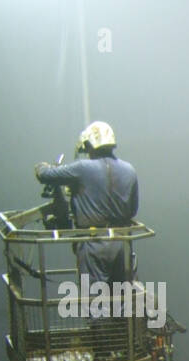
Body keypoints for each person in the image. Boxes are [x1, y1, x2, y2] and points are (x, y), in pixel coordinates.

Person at [33, 121, 139, 318]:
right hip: (122, 243)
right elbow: (133, 209)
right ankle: (122, 343)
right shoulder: (130, 170)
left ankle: (101, 346)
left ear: (90, 145)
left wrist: (42, 166)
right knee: (121, 301)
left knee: (95, 303)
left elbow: (46, 175)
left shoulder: (82, 168)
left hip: (93, 243)